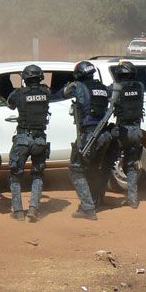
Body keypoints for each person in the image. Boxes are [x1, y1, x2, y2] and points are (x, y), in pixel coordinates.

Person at [61, 61, 113, 221]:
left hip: (89, 136)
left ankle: (88, 208)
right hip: (104, 135)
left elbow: (64, 93)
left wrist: (70, 84)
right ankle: (96, 200)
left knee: (76, 170)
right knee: (93, 168)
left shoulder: (78, 87)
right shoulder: (103, 88)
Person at [6, 64, 51, 222]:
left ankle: (18, 211)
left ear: (25, 78)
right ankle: (33, 209)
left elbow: (10, 104)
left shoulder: (18, 94)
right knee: (37, 175)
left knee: (15, 175)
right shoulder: (46, 92)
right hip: (40, 140)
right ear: (40, 77)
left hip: (23, 139)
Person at [108, 60, 144, 209]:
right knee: (131, 165)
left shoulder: (116, 87)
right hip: (137, 130)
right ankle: (133, 199)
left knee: (107, 161)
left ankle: (96, 199)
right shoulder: (140, 87)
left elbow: (108, 97)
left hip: (123, 130)